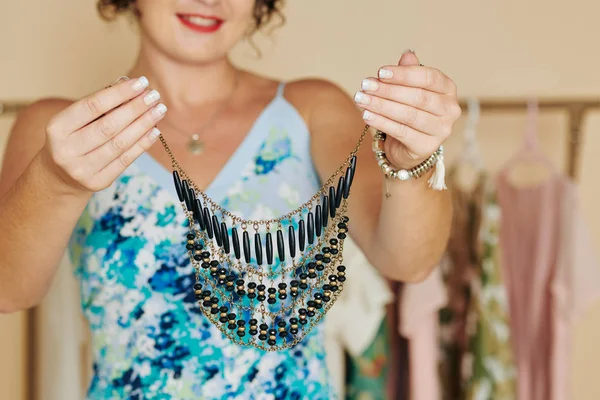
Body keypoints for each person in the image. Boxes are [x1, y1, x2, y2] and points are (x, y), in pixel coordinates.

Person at [0, 0, 460, 398]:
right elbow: (8, 289)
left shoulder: (311, 110)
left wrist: (412, 160)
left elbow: (408, 261)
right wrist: (55, 180)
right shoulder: (57, 130)